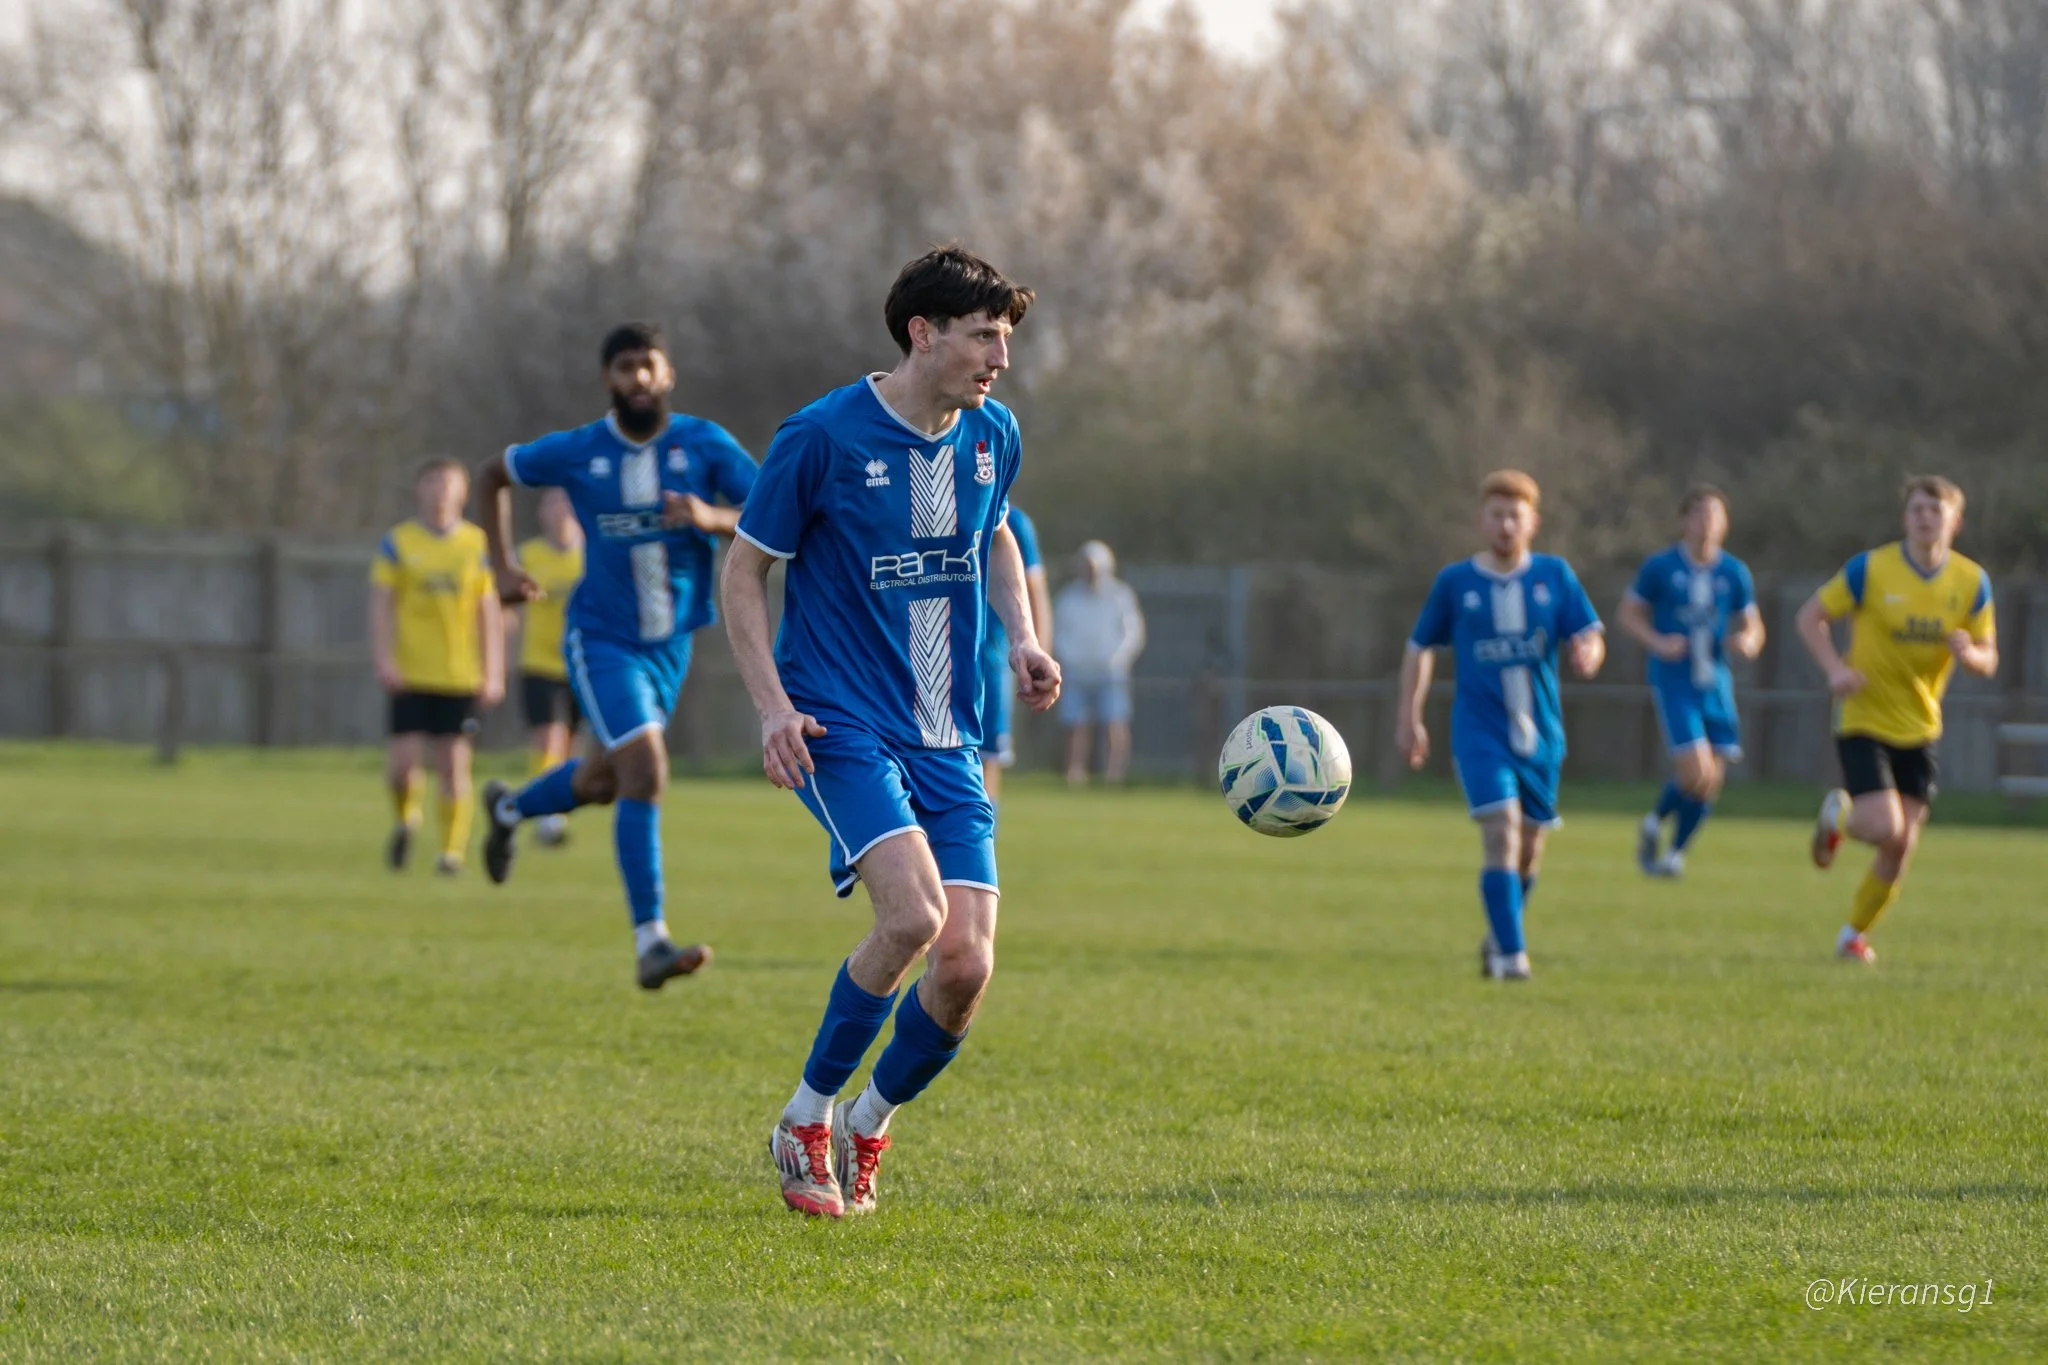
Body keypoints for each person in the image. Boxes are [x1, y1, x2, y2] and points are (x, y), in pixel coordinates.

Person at [721, 245, 1058, 1219]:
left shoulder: (991, 434)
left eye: (1004, 337)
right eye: (982, 336)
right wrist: (772, 705)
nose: (999, 356)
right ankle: (804, 1116)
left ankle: (870, 1119)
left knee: (965, 966)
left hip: (947, 727)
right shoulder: (821, 435)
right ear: (923, 333)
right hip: (841, 717)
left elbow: (992, 530)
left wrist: (1021, 638)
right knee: (910, 919)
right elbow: (743, 572)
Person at [472, 322, 759, 990]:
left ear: (668, 374)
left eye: (648, 365)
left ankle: (510, 809)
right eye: (625, 367)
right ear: (609, 378)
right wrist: (502, 567)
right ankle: (650, 940)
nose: (638, 378)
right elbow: (490, 475)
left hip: (672, 642)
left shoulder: (703, 443)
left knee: (604, 780)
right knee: (646, 769)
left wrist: (710, 518)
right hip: (601, 638)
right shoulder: (580, 451)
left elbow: (768, 504)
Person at [1394, 470, 1605, 981]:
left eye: (1515, 515)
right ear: (1481, 520)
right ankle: (1513, 958)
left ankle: (1498, 935)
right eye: (1496, 514)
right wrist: (1410, 715)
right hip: (1479, 733)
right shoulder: (1456, 583)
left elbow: (1591, 635)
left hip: (1541, 736)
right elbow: (1420, 647)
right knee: (1501, 833)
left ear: (1532, 521)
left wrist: (1587, 653)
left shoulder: (1555, 576)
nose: (1505, 524)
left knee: (1530, 850)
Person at [1795, 475, 1997, 965]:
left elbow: (1990, 658)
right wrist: (1835, 668)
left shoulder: (1972, 582)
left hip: (1922, 725)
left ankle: (1852, 935)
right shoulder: (1871, 569)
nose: (1925, 517)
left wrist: (1970, 653)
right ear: (1905, 518)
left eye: (1936, 509)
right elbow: (1810, 617)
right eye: (1917, 509)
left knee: (1901, 847)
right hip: (1864, 715)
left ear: (1955, 521)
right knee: (1886, 826)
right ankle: (1839, 816)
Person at [1617, 485, 1766, 878]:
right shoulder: (1661, 568)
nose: (1707, 523)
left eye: (1715, 515)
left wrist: (1748, 641)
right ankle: (1655, 822)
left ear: (1726, 523)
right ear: (1684, 520)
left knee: (1712, 780)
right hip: (1675, 681)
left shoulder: (1733, 572)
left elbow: (1753, 625)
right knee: (1696, 772)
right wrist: (1658, 642)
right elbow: (1629, 614)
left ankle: (1671, 851)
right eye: (1699, 514)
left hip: (1715, 681)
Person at [369, 458, 505, 875]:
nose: (440, 492)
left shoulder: (476, 545)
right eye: (432, 482)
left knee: (453, 766)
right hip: (411, 671)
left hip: (458, 674)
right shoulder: (399, 543)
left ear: (462, 493)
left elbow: (488, 611)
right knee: (401, 769)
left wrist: (493, 669)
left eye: (448, 484)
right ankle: (406, 819)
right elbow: (381, 605)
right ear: (419, 489)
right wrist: (384, 658)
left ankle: (451, 853)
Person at [512, 488, 586, 847]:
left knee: (570, 743)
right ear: (542, 512)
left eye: (568, 503)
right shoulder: (527, 556)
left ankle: (555, 806)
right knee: (548, 738)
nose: (562, 512)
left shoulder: (592, 556)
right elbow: (505, 605)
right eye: (553, 504)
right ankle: (548, 819)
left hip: (584, 663)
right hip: (539, 662)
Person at [1053, 540, 1145, 785]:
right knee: (1076, 724)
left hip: (1111, 671)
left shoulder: (1120, 595)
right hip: (1076, 671)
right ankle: (1075, 774)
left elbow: (1132, 631)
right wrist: (1069, 659)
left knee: (1115, 722)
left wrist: (1118, 659)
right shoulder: (1068, 597)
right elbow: (1059, 632)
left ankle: (1113, 775)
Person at [979, 503, 1051, 802]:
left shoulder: (1016, 524)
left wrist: (1040, 652)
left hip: (990, 661)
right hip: (930, 654)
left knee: (987, 758)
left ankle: (983, 843)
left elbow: (1035, 592)